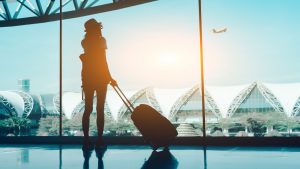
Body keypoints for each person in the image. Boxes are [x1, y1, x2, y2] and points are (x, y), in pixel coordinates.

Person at [80, 18, 116, 150]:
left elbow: (88, 59)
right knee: (100, 109)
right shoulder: (101, 41)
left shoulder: (84, 42)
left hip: (87, 77)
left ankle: (86, 140)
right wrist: (110, 77)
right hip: (100, 78)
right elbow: (103, 60)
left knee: (87, 109)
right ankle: (100, 139)